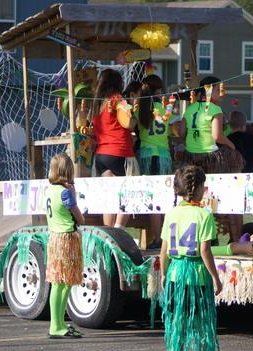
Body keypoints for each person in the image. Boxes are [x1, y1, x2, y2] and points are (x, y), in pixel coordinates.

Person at [160, 165, 225, 351]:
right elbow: (205, 250)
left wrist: (163, 274)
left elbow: (164, 249)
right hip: (196, 277)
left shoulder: (171, 213)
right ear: (197, 189)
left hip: (175, 275)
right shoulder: (204, 215)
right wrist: (215, 277)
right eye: (204, 186)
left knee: (178, 324)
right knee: (201, 324)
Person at [179, 76, 244, 240]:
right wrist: (232, 145)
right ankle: (232, 236)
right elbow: (217, 136)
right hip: (212, 159)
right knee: (222, 196)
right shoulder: (215, 110)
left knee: (195, 197)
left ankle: (199, 235)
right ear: (209, 91)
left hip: (191, 158)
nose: (221, 94)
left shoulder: (190, 108)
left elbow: (181, 132)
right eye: (218, 90)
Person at [45, 153, 85, 339]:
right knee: (66, 282)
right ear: (67, 171)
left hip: (54, 238)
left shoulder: (49, 190)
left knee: (58, 282)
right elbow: (80, 218)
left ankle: (58, 323)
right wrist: (74, 195)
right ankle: (56, 325)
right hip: (67, 239)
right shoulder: (65, 193)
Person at [93, 68, 137, 228]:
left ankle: (109, 235)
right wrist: (135, 121)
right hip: (120, 152)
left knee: (109, 196)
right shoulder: (119, 99)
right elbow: (128, 123)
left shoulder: (97, 104)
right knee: (129, 193)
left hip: (101, 155)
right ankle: (118, 231)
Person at [136, 74, 172, 247]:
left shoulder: (140, 108)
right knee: (163, 197)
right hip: (163, 155)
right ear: (158, 91)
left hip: (146, 155)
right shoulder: (164, 109)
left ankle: (157, 238)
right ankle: (164, 237)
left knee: (153, 198)